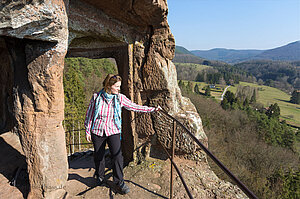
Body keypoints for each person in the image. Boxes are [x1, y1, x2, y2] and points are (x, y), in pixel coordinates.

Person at [84, 74, 161, 194]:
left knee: (117, 155)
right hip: (97, 130)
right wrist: (87, 130)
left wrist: (152, 109)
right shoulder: (96, 97)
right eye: (117, 86)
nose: (119, 89)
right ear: (109, 86)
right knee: (99, 155)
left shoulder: (119, 98)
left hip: (113, 130)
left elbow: (134, 107)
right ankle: (99, 177)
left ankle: (119, 181)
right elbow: (90, 114)